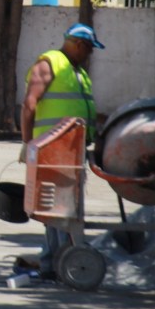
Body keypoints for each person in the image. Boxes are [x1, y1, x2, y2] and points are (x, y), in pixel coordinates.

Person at [20, 22, 104, 278]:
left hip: (72, 150)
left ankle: (54, 261)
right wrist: (26, 144)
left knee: (61, 208)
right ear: (78, 44)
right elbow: (29, 104)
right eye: (88, 49)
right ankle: (58, 260)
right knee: (58, 209)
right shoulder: (49, 63)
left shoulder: (77, 72)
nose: (89, 54)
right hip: (51, 149)